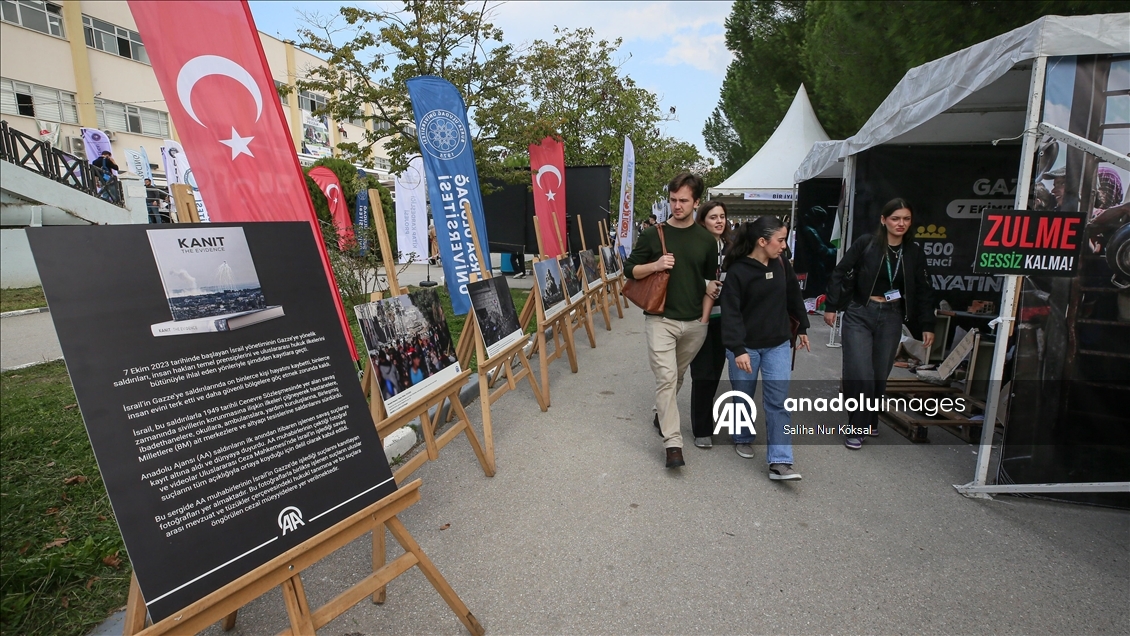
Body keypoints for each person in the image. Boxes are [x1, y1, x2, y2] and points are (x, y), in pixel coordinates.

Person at [624, 172, 719, 469]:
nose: (677, 206)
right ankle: (673, 444)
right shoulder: (655, 234)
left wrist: (704, 318)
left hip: (694, 324)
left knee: (676, 376)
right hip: (660, 319)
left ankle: (660, 413)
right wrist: (655, 264)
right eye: (673, 200)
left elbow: (709, 282)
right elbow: (629, 270)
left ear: (696, 202)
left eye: (683, 201)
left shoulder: (706, 240)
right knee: (666, 378)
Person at [824, 198, 936, 450]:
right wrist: (831, 306)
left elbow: (924, 290)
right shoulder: (867, 243)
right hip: (859, 312)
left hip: (892, 315)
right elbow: (839, 272)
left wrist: (928, 324)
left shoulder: (914, 251)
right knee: (859, 373)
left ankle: (869, 418)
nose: (901, 223)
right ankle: (857, 426)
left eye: (906, 219)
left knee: (879, 374)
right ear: (883, 220)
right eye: (895, 218)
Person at [720, 216, 811, 480]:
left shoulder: (782, 264)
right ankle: (742, 435)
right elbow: (731, 313)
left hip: (778, 345)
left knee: (778, 401)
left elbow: (794, 295)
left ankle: (780, 461)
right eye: (780, 240)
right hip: (746, 347)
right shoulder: (738, 271)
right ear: (762, 241)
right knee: (743, 396)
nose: (784, 245)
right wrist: (737, 349)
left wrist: (802, 328)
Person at [688, 200, 729, 449]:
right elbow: (687, 277)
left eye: (722, 216)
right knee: (700, 374)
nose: (719, 221)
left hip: (723, 319)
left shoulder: (732, 247)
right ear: (702, 220)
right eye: (713, 217)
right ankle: (702, 429)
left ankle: (704, 419)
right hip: (697, 317)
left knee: (714, 371)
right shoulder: (695, 246)